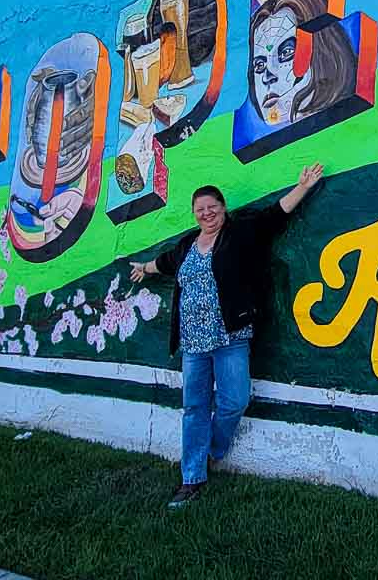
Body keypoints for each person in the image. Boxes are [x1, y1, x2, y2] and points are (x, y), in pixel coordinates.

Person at [128, 162, 324, 508]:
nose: (206, 214)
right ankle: (191, 479)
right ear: (194, 214)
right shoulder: (188, 243)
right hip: (192, 343)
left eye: (212, 208)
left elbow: (274, 216)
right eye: (200, 210)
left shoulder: (239, 233)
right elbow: (166, 262)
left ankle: (211, 452)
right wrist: (144, 268)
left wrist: (303, 187)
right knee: (194, 408)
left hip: (230, 336)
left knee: (235, 401)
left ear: (223, 209)